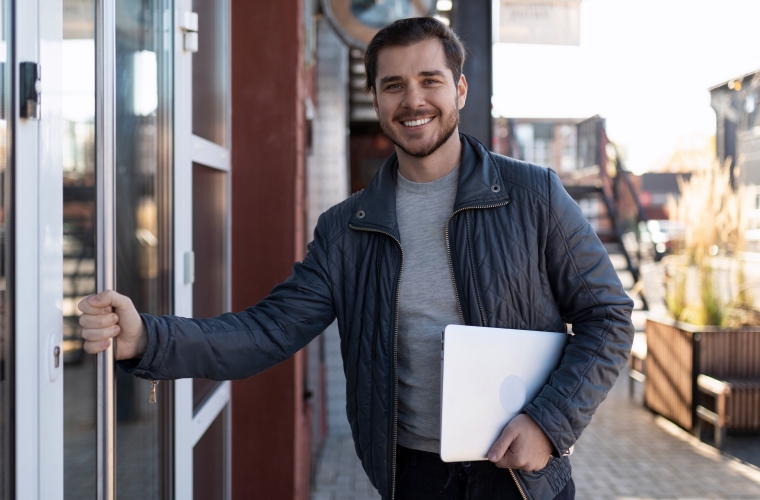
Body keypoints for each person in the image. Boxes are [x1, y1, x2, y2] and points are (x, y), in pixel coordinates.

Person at [79, 17, 633, 500]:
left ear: (460, 89)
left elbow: (607, 318)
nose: (412, 100)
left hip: (525, 477)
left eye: (430, 81)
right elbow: (267, 332)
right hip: (415, 478)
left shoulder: (533, 195)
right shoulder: (346, 229)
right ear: (376, 99)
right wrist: (148, 338)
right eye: (394, 86)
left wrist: (548, 421)